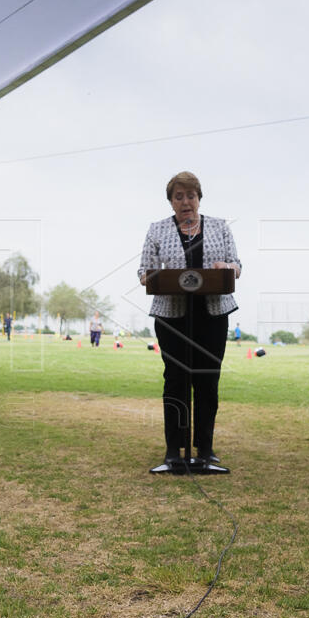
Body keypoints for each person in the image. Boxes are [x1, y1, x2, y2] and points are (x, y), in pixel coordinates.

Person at [138, 171, 241, 465]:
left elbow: (237, 265)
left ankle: (205, 450)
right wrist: (151, 276)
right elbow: (144, 271)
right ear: (171, 202)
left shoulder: (220, 227)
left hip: (213, 314)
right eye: (179, 196)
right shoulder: (157, 230)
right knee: (176, 381)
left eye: (191, 195)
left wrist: (228, 267)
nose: (186, 202)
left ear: (199, 198)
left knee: (207, 381)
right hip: (172, 317)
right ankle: (174, 451)